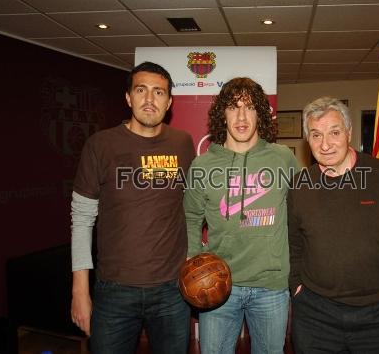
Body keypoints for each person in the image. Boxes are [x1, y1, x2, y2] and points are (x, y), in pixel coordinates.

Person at [288, 96, 379, 353]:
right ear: (308, 140)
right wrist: (298, 290)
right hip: (316, 319)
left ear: (349, 133)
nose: (326, 144)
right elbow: (294, 247)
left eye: (334, 132)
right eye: (316, 135)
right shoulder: (300, 184)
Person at [70, 61, 194, 353]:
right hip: (114, 291)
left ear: (169, 102)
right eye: (141, 90)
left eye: (159, 92)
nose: (150, 100)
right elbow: (82, 219)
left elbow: (193, 207)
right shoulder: (100, 145)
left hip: (172, 291)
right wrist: (80, 290)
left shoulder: (183, 143)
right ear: (128, 97)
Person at [184, 77, 299, 353]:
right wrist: (192, 260)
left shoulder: (282, 158)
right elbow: (190, 218)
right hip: (218, 286)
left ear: (260, 113)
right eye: (233, 107)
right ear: (222, 114)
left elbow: (301, 214)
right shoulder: (202, 165)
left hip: (271, 286)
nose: (241, 116)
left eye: (249, 107)